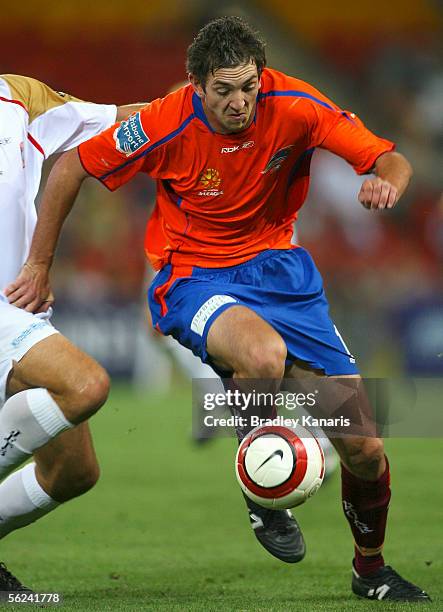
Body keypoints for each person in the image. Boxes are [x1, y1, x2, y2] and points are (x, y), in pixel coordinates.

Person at [9, 17, 430, 602]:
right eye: (224, 90)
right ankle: (259, 487)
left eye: (248, 87)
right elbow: (74, 165)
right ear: (197, 85)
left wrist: (387, 183)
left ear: (263, 79)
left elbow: (391, 159)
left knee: (364, 446)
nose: (240, 102)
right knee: (262, 354)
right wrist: (39, 265)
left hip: (284, 275)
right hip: (192, 274)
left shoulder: (297, 104)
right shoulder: (165, 119)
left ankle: (370, 569)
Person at [0, 73, 144, 592]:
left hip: (19, 310)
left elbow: (110, 120)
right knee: (84, 384)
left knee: (73, 473)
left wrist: (190, 109)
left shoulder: (18, 97)